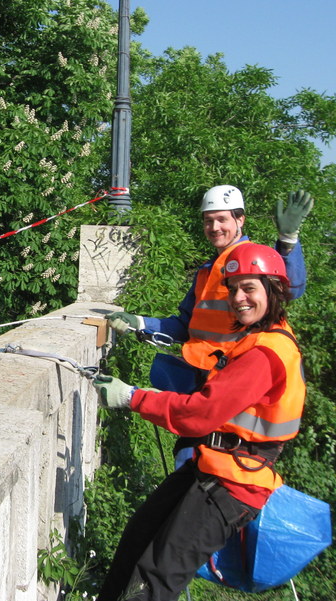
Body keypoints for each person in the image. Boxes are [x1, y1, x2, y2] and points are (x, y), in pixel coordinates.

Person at [92, 242, 306, 601]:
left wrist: (131, 397)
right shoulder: (254, 339)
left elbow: (199, 414)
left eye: (250, 288)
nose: (239, 298)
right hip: (213, 467)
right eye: (234, 289)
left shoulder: (266, 353)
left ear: (274, 289)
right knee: (138, 537)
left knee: (156, 577)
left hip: (233, 483)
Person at [106, 185, 311, 464]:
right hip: (199, 384)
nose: (214, 227)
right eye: (208, 220)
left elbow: (291, 288)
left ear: (240, 220)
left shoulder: (254, 259)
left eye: (222, 219)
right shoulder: (206, 270)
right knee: (189, 460)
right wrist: (140, 323)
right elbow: (185, 325)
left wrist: (287, 241)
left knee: (199, 466)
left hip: (232, 392)